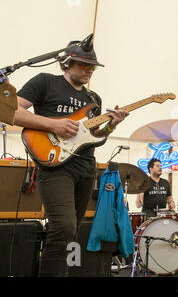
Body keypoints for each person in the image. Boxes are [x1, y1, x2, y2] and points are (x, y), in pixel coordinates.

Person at [14, 40, 129, 276]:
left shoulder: (93, 99)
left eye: (92, 67)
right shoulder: (45, 82)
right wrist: (53, 124)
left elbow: (95, 137)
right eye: (83, 65)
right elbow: (12, 111)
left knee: (70, 231)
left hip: (85, 168)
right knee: (64, 226)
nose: (88, 70)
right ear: (66, 62)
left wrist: (111, 127)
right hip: (55, 167)